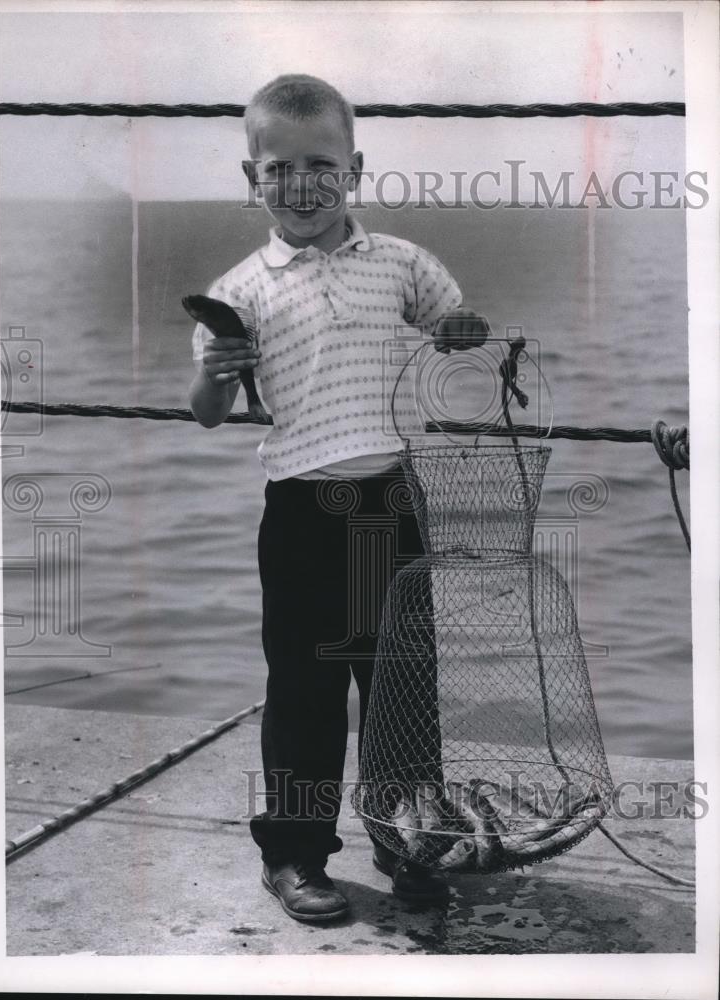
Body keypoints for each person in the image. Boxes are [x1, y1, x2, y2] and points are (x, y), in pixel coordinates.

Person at [189, 74, 464, 923]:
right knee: (303, 691)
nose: (301, 184)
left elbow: (453, 322)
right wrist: (214, 375)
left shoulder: (401, 263)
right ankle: (296, 857)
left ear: (354, 170)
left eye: (321, 164)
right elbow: (206, 416)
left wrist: (461, 334)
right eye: (280, 168)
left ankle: (405, 838)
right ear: (252, 178)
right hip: (301, 513)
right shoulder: (238, 292)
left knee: (401, 686)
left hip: (390, 501)